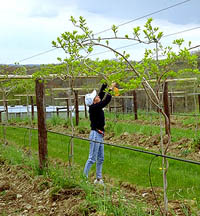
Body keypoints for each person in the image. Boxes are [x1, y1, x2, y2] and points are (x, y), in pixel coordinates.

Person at [83, 82, 116, 184]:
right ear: (93, 101)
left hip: (100, 134)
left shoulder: (96, 105)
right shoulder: (94, 108)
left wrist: (105, 84)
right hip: (95, 135)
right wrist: (111, 89)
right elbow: (106, 100)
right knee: (92, 158)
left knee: (101, 158)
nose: (97, 96)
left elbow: (101, 95)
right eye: (95, 97)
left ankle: (99, 179)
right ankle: (84, 179)